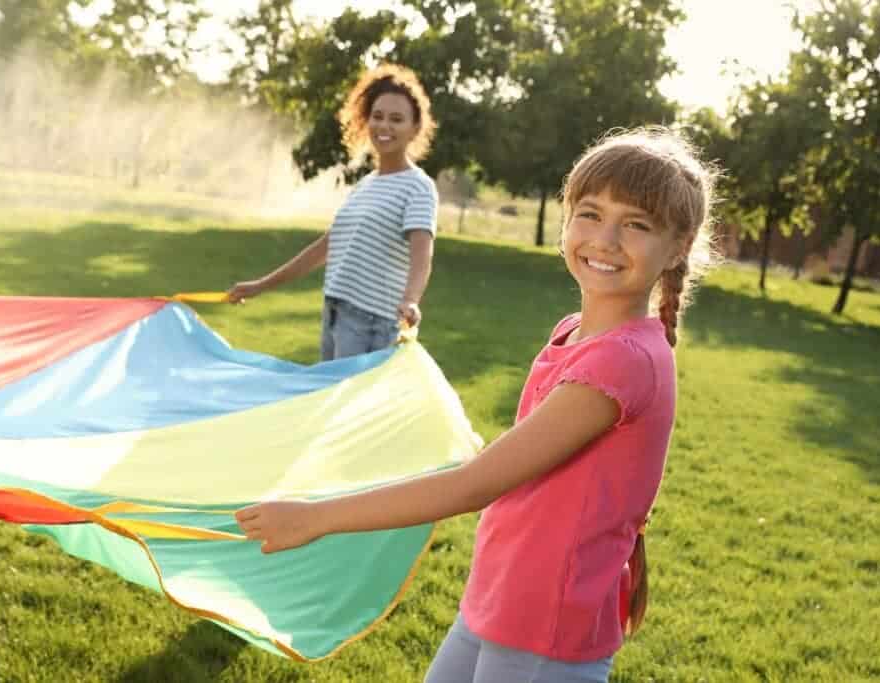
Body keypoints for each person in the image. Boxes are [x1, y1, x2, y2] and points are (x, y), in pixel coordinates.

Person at [235, 126, 719, 682]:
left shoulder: (624, 361)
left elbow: (476, 485)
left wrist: (315, 518)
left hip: (548, 627)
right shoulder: (574, 334)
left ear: (678, 246)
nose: (605, 239)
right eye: (590, 213)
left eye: (636, 224)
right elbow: (523, 470)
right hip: (503, 596)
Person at [227, 64, 439, 361]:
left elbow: (422, 255)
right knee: (331, 400)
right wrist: (259, 286)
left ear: (415, 128)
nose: (384, 126)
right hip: (336, 311)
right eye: (377, 116)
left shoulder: (418, 187)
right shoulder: (366, 184)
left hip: (372, 323)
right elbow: (325, 248)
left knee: (349, 406)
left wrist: (411, 301)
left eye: (396, 119)